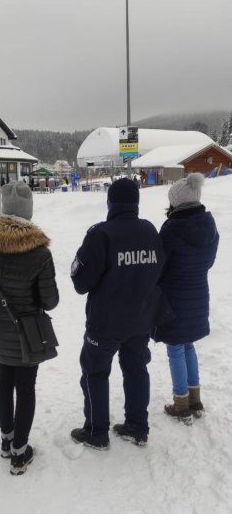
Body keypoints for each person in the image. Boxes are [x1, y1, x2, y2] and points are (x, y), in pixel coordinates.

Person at [0, 181, 59, 474]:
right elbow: (51, 300)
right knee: (26, 386)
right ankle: (21, 452)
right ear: (28, 211)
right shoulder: (40, 253)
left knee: (2, 382)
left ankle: (6, 441)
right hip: (28, 336)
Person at [70, 178, 165, 450]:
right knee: (136, 368)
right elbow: (160, 269)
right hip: (141, 319)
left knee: (94, 372)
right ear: (135, 202)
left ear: (110, 202)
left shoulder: (101, 234)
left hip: (105, 323)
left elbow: (80, 281)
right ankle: (137, 426)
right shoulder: (149, 230)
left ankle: (96, 431)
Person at [154, 173, 219, 424]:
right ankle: (195, 398)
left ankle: (181, 403)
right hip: (198, 292)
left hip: (174, 296)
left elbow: (160, 265)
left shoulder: (172, 228)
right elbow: (209, 261)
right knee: (188, 344)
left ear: (176, 202)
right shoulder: (209, 225)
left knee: (175, 348)